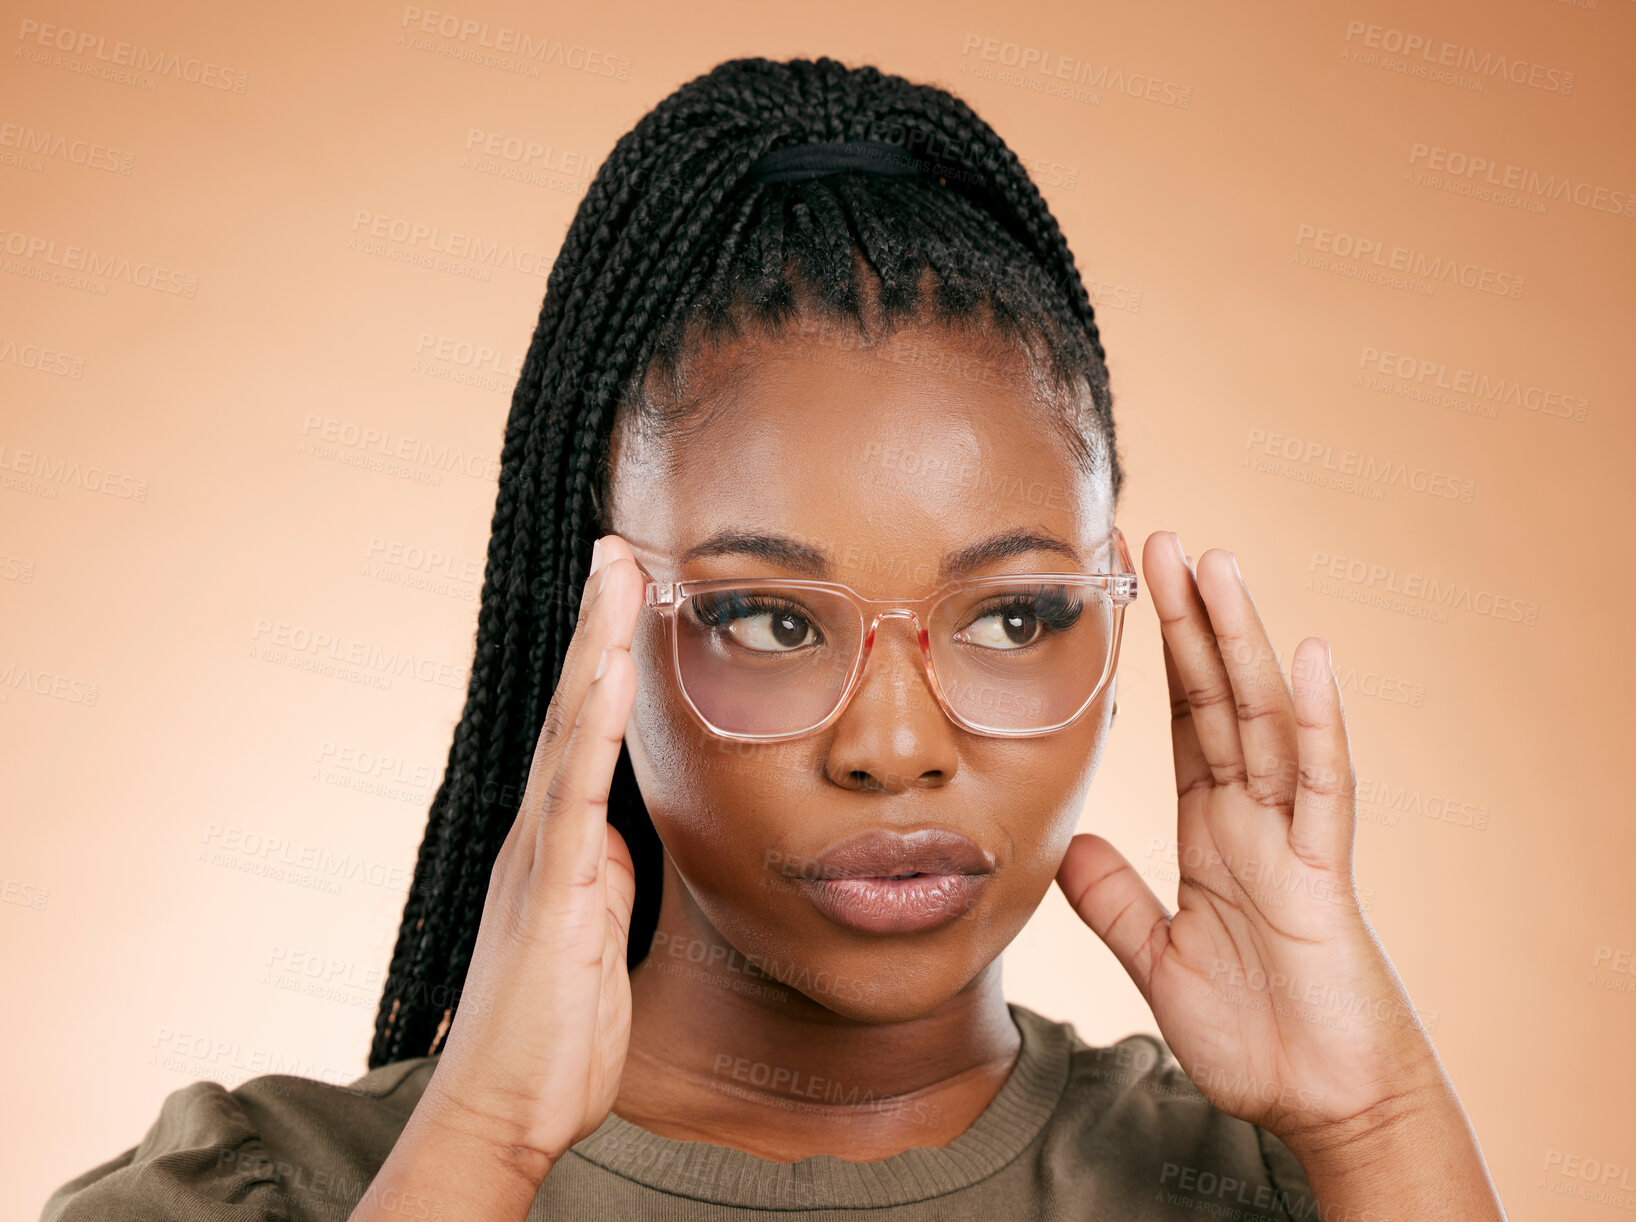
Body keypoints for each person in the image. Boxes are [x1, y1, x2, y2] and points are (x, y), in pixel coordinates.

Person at [41, 55, 1507, 1221]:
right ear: (598, 614)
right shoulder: (263, 1194)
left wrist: (1379, 1126)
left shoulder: (1301, 1187)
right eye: (764, 616)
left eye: (1012, 613)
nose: (896, 747)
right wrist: (478, 1143)